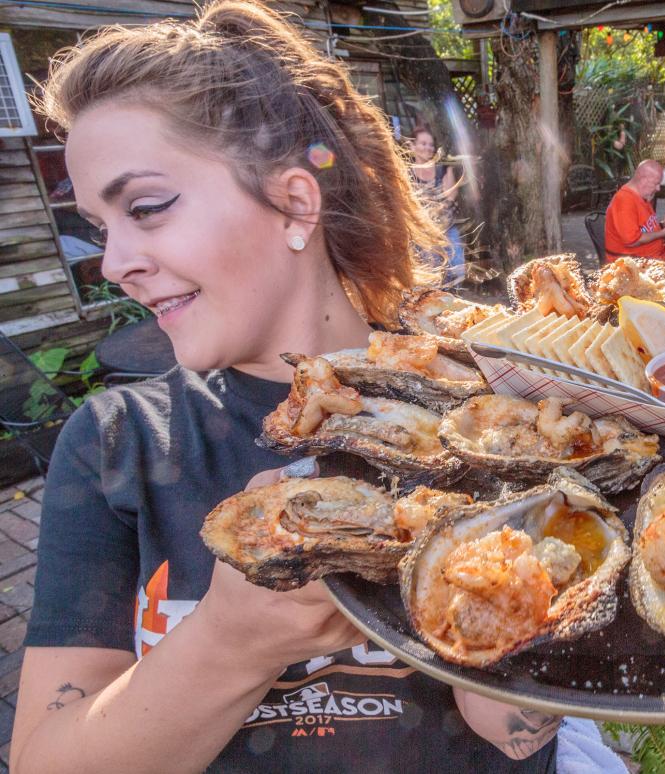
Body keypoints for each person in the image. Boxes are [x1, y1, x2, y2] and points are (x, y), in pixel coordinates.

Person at [12, 3, 560, 771]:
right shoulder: (119, 443)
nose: (114, 264)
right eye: (104, 229)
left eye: (146, 208)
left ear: (296, 203)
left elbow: (515, 734)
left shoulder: (489, 409)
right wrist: (235, 639)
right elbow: (45, 758)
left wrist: (500, 607)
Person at [604, 159, 665, 273]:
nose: (658, 188)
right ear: (644, 180)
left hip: (654, 255)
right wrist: (663, 233)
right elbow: (632, 241)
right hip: (633, 263)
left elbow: (644, 228)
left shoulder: (642, 196)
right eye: (656, 184)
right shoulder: (624, 201)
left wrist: (662, 225)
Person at [410, 126, 466, 286]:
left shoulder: (443, 170)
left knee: (456, 270)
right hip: (420, 232)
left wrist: (435, 215)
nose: (428, 147)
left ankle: (455, 301)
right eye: (423, 143)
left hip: (445, 227)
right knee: (429, 275)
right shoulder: (407, 174)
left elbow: (450, 197)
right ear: (412, 147)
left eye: (431, 144)